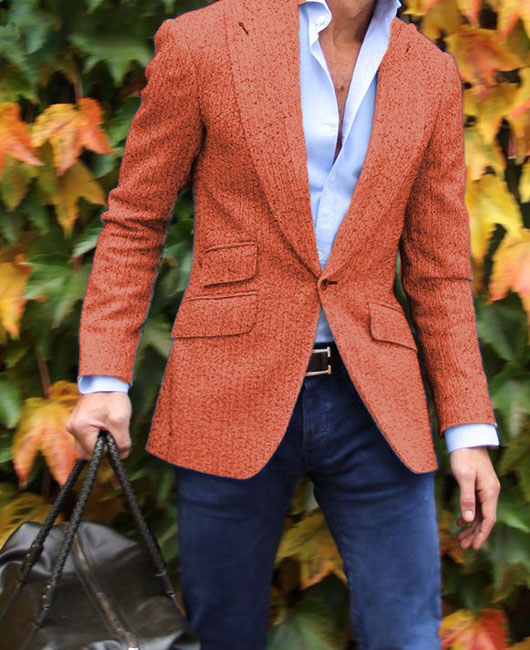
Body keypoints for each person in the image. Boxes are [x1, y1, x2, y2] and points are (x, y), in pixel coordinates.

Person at [67, 0, 502, 647]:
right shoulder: (205, 41)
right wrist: (106, 377)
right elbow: (136, 219)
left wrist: (467, 427)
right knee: (224, 633)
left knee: (407, 634)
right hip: (229, 385)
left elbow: (439, 273)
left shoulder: (430, 74)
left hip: (373, 400)